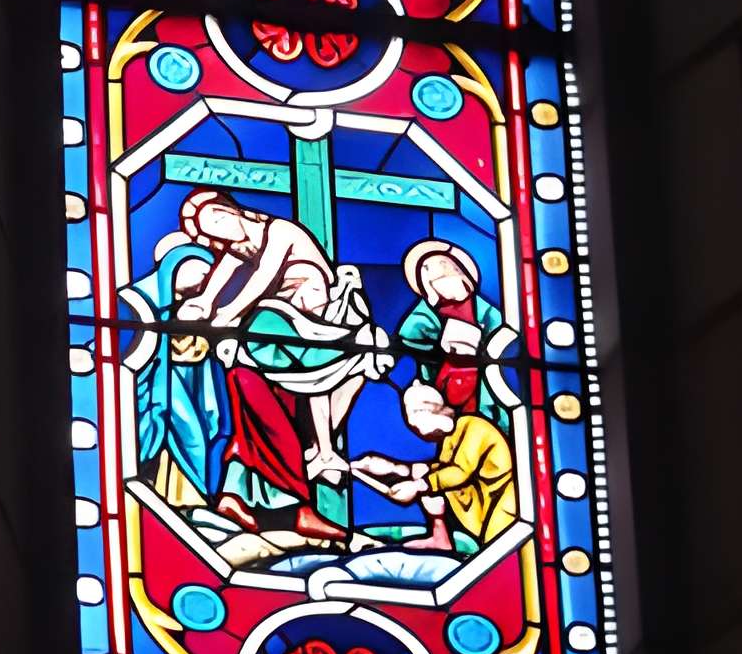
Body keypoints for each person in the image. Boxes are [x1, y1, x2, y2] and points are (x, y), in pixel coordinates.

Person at [175, 190, 391, 541]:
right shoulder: (235, 251)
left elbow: (263, 278)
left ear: (229, 210)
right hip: (284, 331)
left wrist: (230, 313)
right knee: (250, 385)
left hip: (315, 323)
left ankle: (308, 470)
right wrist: (204, 303)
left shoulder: (280, 232)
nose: (218, 232)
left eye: (216, 219)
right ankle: (250, 497)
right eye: (208, 231)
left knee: (318, 377)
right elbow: (219, 279)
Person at [123, 240, 224, 510]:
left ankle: (190, 500)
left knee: (196, 435)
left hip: (188, 384)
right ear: (174, 267)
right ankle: (168, 497)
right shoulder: (142, 302)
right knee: (186, 431)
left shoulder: (200, 309)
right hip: (157, 386)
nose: (204, 279)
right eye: (200, 271)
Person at [367, 378, 517, 553]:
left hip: (504, 497)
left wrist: (418, 485)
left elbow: (460, 472)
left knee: (499, 548)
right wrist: (396, 469)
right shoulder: (450, 436)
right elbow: (441, 468)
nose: (419, 431)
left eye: (416, 424)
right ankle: (440, 537)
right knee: (422, 472)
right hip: (480, 497)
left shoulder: (473, 426)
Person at [396, 240, 507, 426]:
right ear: (425, 284)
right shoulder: (425, 315)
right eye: (427, 268)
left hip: (485, 377)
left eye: (445, 264)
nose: (440, 270)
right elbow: (408, 340)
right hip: (445, 377)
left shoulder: (484, 310)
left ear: (461, 270)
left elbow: (503, 335)